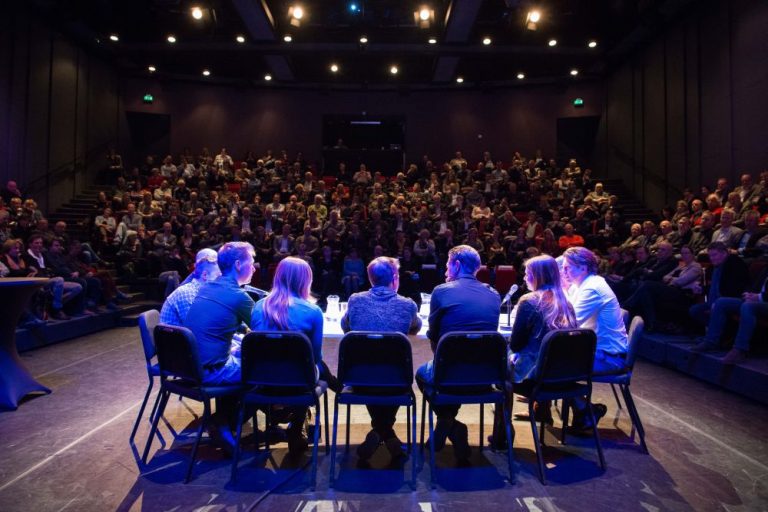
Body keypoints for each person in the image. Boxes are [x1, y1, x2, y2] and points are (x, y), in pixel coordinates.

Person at [416, 245, 501, 463]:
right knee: (455, 370)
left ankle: (449, 424)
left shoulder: (442, 291)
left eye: (447, 265)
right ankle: (449, 426)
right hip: (485, 379)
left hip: (449, 375)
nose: (445, 270)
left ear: (456, 264)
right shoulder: (494, 294)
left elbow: (434, 336)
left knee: (423, 373)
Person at [340, 256, 421, 465]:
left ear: (370, 278)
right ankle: (385, 432)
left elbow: (345, 326)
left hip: (360, 380)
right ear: (395, 278)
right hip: (396, 381)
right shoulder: (407, 305)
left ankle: (381, 431)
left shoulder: (355, 300)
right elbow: (416, 326)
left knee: (371, 369)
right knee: (388, 373)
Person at [250, 257, 329, 455]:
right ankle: (298, 421)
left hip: (261, 379)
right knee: (312, 371)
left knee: (297, 371)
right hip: (299, 382)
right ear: (305, 281)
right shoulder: (313, 312)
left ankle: (292, 418)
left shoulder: (258, 307)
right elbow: (315, 357)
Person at [185, 242, 257, 451]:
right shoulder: (238, 296)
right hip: (211, 372)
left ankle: (223, 423)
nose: (253, 268)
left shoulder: (207, 286)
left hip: (190, 367)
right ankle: (223, 422)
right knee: (265, 373)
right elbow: (264, 333)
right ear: (237, 264)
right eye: (251, 263)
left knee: (239, 356)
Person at [562, 246, 628, 430]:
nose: (563, 271)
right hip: (595, 351)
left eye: (568, 267)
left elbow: (567, 323)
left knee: (549, 364)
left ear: (583, 267)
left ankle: (584, 409)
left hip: (609, 357)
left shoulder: (592, 288)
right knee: (549, 358)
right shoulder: (581, 285)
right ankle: (580, 409)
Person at [159, 248, 221, 326]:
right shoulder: (188, 293)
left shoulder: (203, 291)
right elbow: (198, 327)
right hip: (176, 337)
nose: (221, 280)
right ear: (205, 275)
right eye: (218, 276)